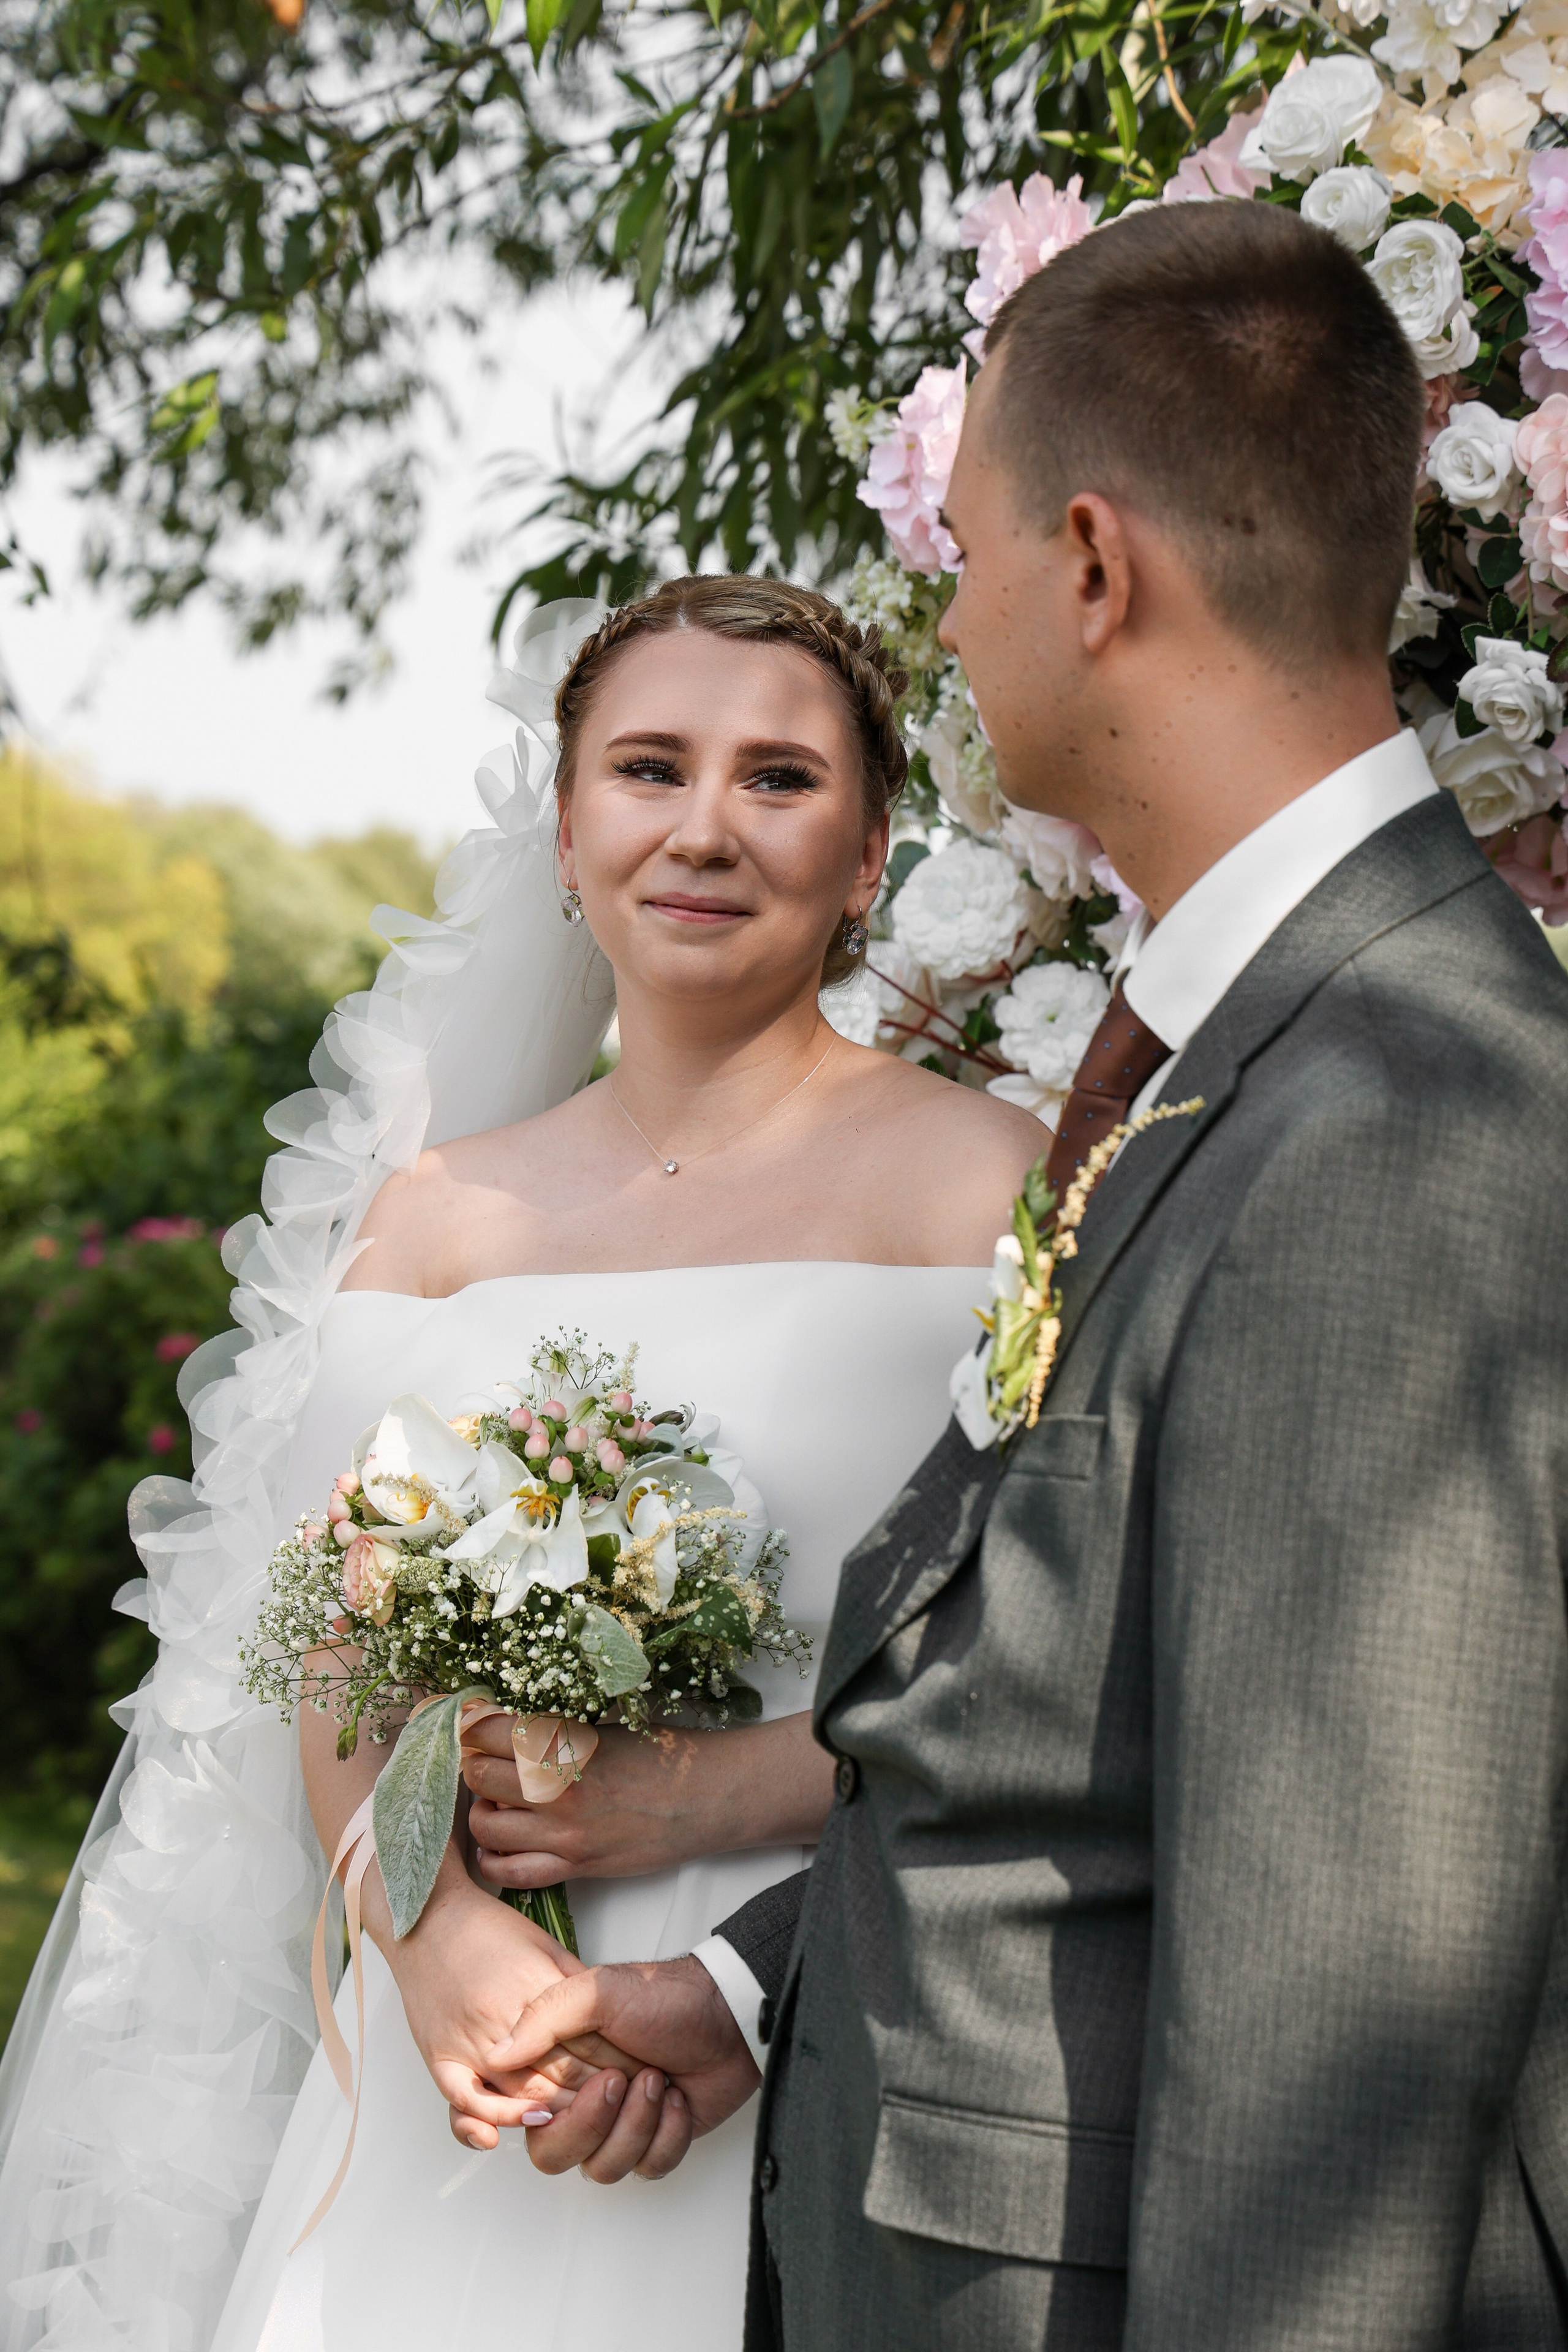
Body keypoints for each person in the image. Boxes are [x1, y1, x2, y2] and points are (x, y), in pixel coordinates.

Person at [490, 201, 1568, 2348]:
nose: (957, 622)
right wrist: (745, 1989)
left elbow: (1341, 2026)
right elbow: (1078, 1733)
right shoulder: (1213, 1050)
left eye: (967, 555)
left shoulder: (1404, 1118)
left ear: (1093, 566)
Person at [0, 573, 1042, 2352]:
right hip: (468, 2044)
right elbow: (337, 1641)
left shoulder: (994, 1191)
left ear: (870, 855)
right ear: (567, 832)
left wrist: (726, 1844)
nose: (707, 826)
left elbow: (1045, 1646)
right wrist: (432, 1942)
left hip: (828, 1993)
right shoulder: (434, 1217)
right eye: (650, 768)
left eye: (779, 780)